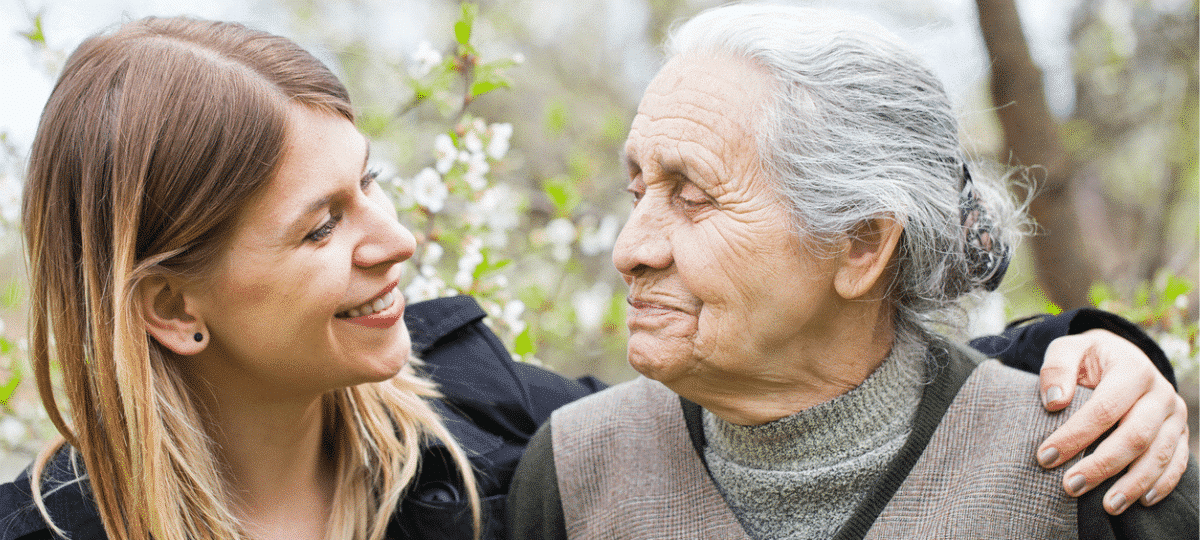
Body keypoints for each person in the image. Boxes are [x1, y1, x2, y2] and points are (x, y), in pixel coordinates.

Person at [0, 13, 1186, 540]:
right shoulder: (44, 533)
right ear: (170, 306)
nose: (395, 243)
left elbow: (833, 397)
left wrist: (1085, 357)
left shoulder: (486, 440)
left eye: (372, 184)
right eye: (321, 227)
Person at [507, 4, 1197, 539]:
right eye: (638, 193)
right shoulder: (573, 470)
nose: (632, 248)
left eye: (693, 198)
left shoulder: (1093, 464)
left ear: (862, 244)